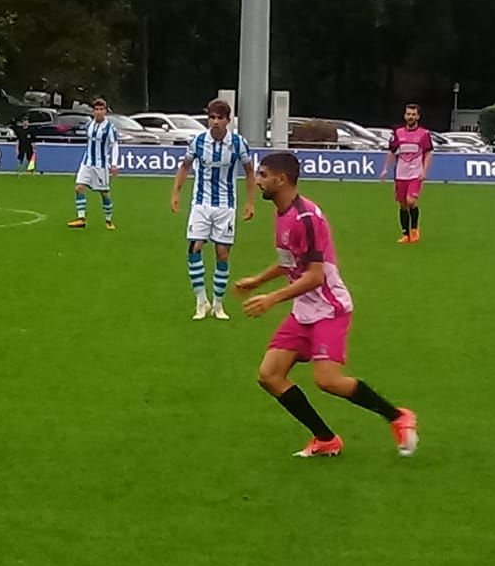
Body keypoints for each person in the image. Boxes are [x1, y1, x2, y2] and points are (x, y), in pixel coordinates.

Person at [236, 151, 419, 457]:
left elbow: (315, 276)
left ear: (281, 179)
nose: (257, 180)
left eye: (263, 175)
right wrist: (258, 280)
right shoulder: (283, 213)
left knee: (328, 380)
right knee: (269, 375)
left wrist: (271, 298)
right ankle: (325, 439)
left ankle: (399, 417)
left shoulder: (304, 218)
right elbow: (289, 261)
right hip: (304, 309)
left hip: (328, 308)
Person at [171, 98, 256, 319]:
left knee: (222, 254)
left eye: (220, 118)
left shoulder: (238, 143)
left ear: (228, 120)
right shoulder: (198, 142)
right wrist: (176, 193)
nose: (215, 122)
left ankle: (218, 304)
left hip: (226, 207)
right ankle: (201, 302)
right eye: (212, 117)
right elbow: (185, 166)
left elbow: (249, 171)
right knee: (195, 248)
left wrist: (250, 202)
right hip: (201, 204)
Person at [381, 103, 434, 243]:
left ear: (418, 116)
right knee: (403, 204)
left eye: (413, 114)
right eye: (408, 114)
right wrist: (386, 168)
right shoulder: (398, 133)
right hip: (400, 174)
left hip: (415, 174)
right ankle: (405, 234)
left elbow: (428, 153)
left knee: (411, 201)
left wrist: (424, 171)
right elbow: (391, 152)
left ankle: (415, 229)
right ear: (405, 116)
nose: (410, 117)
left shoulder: (424, 134)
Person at [67, 98, 120, 229]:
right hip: (87, 162)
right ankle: (81, 218)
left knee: (104, 193)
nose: (99, 112)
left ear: (105, 111)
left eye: (101, 109)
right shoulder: (89, 125)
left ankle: (109, 220)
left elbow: (114, 146)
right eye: (96, 109)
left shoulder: (110, 128)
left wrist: (114, 164)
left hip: (100, 165)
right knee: (79, 187)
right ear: (93, 111)